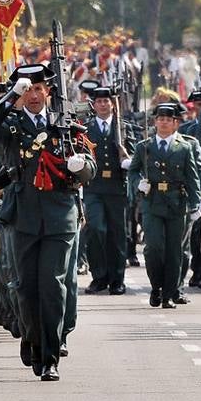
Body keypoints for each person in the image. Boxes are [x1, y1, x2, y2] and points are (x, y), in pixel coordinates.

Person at [0, 63, 95, 381]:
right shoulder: (10, 124)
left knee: (53, 285)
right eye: (27, 89)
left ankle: (51, 355)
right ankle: (31, 336)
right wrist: (7, 100)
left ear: (49, 91)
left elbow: (90, 169)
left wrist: (80, 166)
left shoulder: (66, 124)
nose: (33, 94)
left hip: (60, 215)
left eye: (39, 88)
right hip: (23, 216)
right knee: (25, 286)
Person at [128, 102, 201, 309]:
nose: (163, 123)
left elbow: (192, 176)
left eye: (168, 120)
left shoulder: (184, 147)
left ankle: (169, 293)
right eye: (160, 119)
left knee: (174, 251)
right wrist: (139, 183)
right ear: (155, 122)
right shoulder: (144, 147)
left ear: (175, 123)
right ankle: (156, 287)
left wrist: (196, 203)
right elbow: (133, 171)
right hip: (152, 201)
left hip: (177, 202)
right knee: (153, 248)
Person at [82, 86, 133, 294]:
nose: (103, 105)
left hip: (116, 187)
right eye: (99, 101)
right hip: (94, 187)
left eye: (107, 101)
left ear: (113, 104)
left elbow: (137, 152)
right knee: (95, 229)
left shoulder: (124, 127)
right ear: (94, 105)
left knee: (117, 234)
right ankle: (99, 276)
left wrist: (127, 159)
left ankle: (117, 279)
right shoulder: (86, 128)